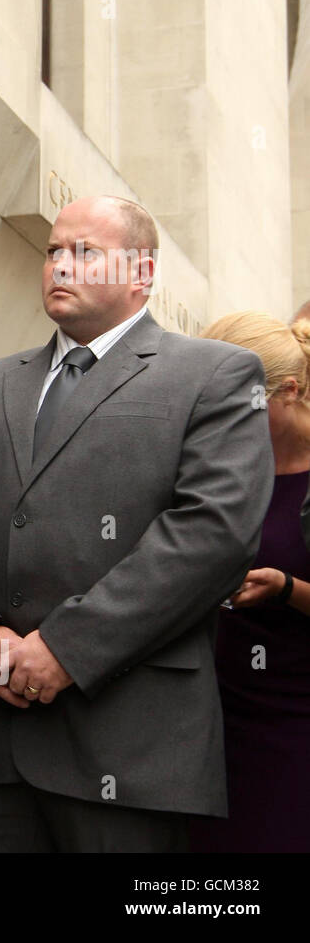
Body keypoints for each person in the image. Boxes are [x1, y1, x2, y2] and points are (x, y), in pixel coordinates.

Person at [0, 195, 274, 852]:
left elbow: (212, 535)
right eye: (54, 250)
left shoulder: (214, 376)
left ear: (142, 273)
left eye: (84, 251)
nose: (60, 263)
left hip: (128, 745)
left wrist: (65, 648)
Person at [189, 311, 310, 852]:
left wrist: (285, 587)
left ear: (286, 392)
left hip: (293, 719)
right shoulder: (219, 467)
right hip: (211, 716)